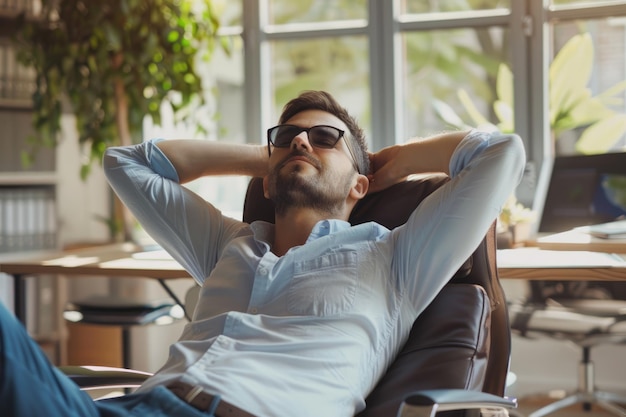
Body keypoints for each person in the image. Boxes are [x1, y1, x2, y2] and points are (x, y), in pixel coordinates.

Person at [0, 90, 525, 417]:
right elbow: (126, 163)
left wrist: (390, 163)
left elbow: (502, 154)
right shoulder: (228, 243)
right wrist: (272, 158)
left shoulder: (397, 259)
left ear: (359, 187)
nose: (302, 143)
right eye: (288, 137)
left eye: (325, 137)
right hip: (141, 407)